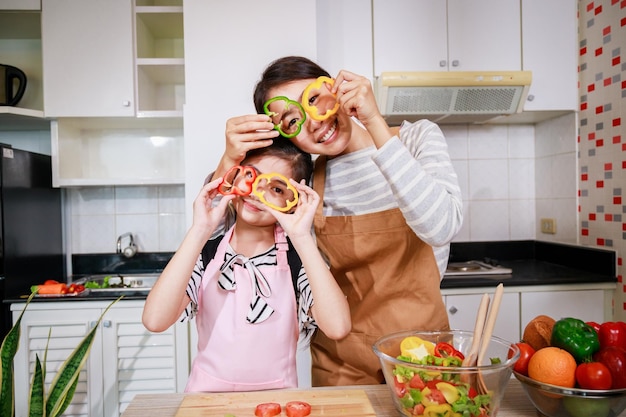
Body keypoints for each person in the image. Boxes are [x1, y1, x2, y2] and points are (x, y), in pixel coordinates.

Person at [212, 56, 463, 386]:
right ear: (288, 137)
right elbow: (218, 234)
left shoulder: (416, 140)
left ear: (336, 90)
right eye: (291, 120)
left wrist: (374, 122)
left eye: (314, 99)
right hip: (343, 364)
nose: (314, 122)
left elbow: (440, 226)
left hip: (424, 355)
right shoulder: (305, 187)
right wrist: (229, 158)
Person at [143, 139, 351, 392]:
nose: (257, 192)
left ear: (294, 200)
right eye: (252, 176)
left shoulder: (299, 260)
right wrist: (200, 230)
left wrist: (302, 237)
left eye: (276, 189)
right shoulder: (205, 254)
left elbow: (338, 327)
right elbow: (155, 320)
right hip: (205, 401)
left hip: (275, 404)